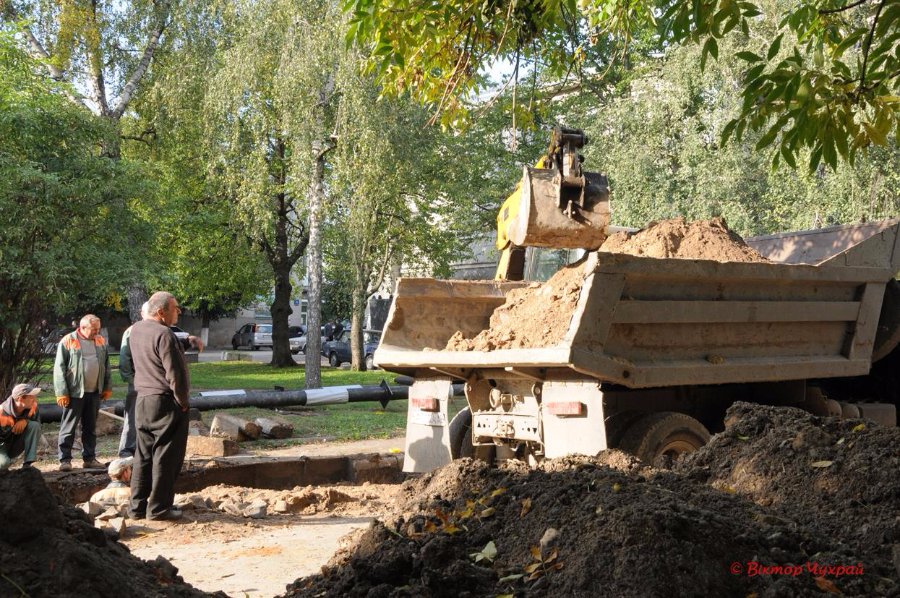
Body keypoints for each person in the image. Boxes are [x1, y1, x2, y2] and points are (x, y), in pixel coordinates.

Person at [128, 291, 190, 521]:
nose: (179, 312)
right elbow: (175, 373)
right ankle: (159, 509)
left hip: (143, 400)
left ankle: (137, 508)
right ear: (161, 312)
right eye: (175, 308)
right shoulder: (164, 334)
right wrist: (183, 402)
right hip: (164, 402)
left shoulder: (136, 329)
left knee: (143, 456)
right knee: (166, 456)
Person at [54, 314, 112, 471]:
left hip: (94, 392)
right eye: (94, 329)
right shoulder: (68, 341)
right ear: (83, 327)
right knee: (68, 427)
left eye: (98, 329)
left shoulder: (100, 341)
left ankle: (89, 458)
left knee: (90, 428)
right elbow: (59, 368)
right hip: (74, 393)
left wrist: (107, 387)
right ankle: (65, 460)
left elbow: (106, 365)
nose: (97, 332)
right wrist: (61, 392)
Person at [0, 383, 42, 471]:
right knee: (4, 464)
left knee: (34, 425)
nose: (34, 399)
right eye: (31, 397)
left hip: (14, 445)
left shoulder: (33, 407)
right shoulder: (1, 413)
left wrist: (25, 421)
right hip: (1, 447)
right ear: (20, 398)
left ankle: (27, 465)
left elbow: (38, 427)